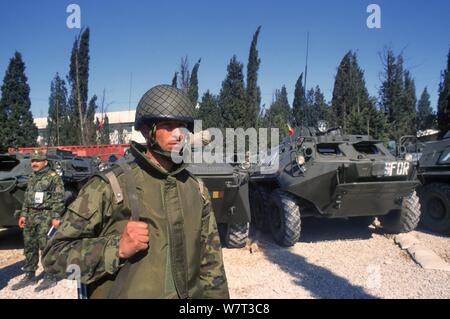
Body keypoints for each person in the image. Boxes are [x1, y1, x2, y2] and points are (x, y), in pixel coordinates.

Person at [42, 85, 229, 299]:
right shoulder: (110, 186)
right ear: (147, 131)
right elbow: (53, 256)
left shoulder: (196, 189)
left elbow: (211, 264)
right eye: (168, 125)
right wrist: (116, 248)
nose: (178, 134)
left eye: (182, 126)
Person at [11, 150, 65, 291]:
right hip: (31, 216)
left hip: (46, 216)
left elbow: (59, 198)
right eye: (33, 161)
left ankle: (50, 276)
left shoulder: (54, 177)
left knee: (46, 246)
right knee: (29, 245)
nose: (34, 163)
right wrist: (23, 215)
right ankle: (29, 275)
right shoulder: (32, 177)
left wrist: (56, 217)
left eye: (37, 161)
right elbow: (27, 198)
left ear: (45, 162)